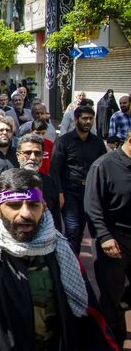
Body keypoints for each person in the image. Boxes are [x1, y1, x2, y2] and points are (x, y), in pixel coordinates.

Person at [0, 92, 116, 350]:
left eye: (33, 205)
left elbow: (89, 320)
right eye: (15, 205)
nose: (26, 213)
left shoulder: (60, 252)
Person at [85, 128, 131, 347]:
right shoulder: (103, 166)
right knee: (111, 296)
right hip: (114, 240)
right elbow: (93, 207)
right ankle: (114, 341)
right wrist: (104, 236)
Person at [50, 105, 107, 253]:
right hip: (69, 190)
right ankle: (71, 264)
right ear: (76, 120)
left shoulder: (98, 142)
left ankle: (75, 260)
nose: (88, 122)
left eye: (91, 118)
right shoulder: (63, 141)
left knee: (81, 229)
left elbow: (103, 167)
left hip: (90, 191)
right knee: (72, 229)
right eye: (84, 118)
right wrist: (60, 192)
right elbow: (55, 169)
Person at [16, 133, 61, 230]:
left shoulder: (50, 183)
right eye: (28, 153)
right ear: (18, 156)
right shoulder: (6, 181)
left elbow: (55, 219)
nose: (32, 157)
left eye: (37, 153)